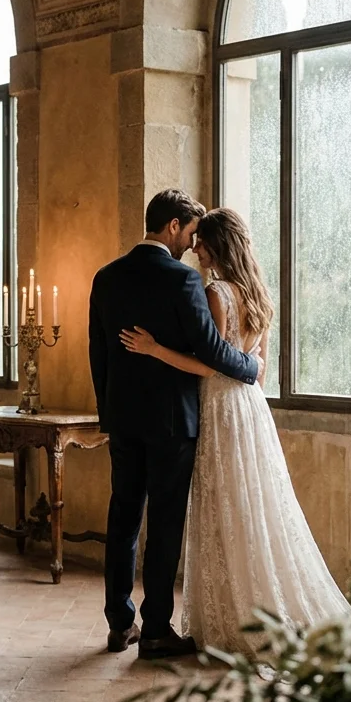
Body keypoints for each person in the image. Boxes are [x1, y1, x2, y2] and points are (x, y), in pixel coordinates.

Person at [121, 207, 351, 655]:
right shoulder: (260, 296)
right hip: (251, 411)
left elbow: (210, 363)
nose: (195, 249)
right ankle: (256, 606)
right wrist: (244, 381)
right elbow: (259, 371)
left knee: (224, 510)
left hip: (219, 410)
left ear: (215, 246)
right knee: (253, 508)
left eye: (201, 242)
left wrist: (154, 349)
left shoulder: (216, 293)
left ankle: (233, 614)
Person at [89, 190, 259, 660]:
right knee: (164, 527)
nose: (192, 243)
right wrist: (250, 368)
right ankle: (155, 631)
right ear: (173, 226)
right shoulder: (183, 279)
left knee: (123, 520)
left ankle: (118, 623)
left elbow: (98, 354)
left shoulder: (106, 277)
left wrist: (108, 415)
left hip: (123, 420)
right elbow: (211, 349)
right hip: (172, 424)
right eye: (190, 232)